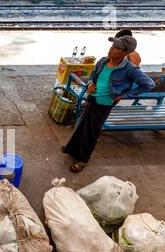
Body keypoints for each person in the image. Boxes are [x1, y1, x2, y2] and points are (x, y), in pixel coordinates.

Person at [62, 35, 155, 172]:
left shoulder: (130, 69)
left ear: (125, 53)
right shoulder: (103, 61)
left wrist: (125, 95)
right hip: (92, 98)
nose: (112, 50)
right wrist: (90, 83)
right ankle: (72, 148)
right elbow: (93, 75)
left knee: (92, 131)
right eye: (112, 46)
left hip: (105, 103)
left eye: (117, 48)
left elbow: (149, 84)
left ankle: (83, 159)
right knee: (82, 125)